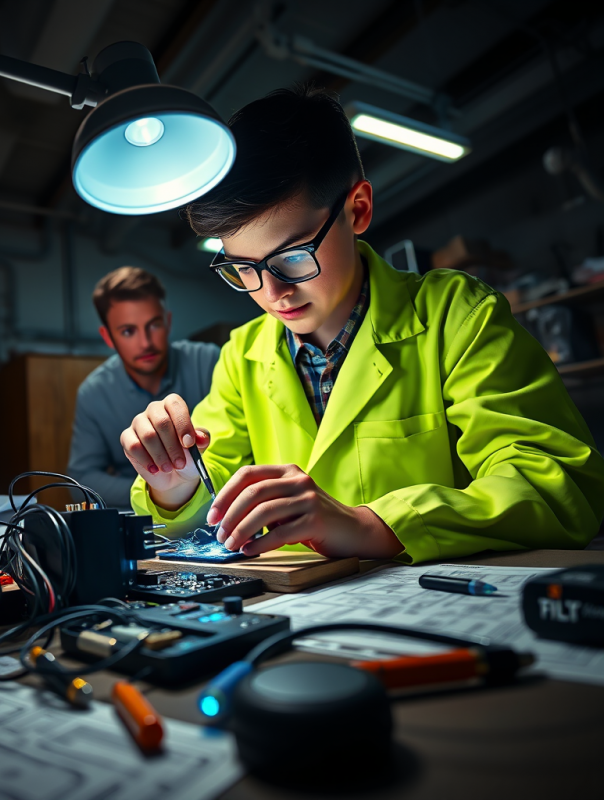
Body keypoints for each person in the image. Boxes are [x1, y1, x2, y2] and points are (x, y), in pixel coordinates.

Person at [121, 85, 604, 563]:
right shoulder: (242, 356)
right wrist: (175, 483)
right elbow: (206, 513)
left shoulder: (457, 316)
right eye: (241, 266)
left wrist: (373, 525)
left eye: (292, 257)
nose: (271, 293)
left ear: (358, 209)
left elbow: (556, 483)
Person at [68, 266, 220, 508]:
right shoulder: (93, 393)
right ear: (108, 337)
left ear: (168, 322)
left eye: (154, 325)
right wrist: (158, 488)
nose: (146, 343)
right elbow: (82, 480)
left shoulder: (211, 362)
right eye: (128, 331)